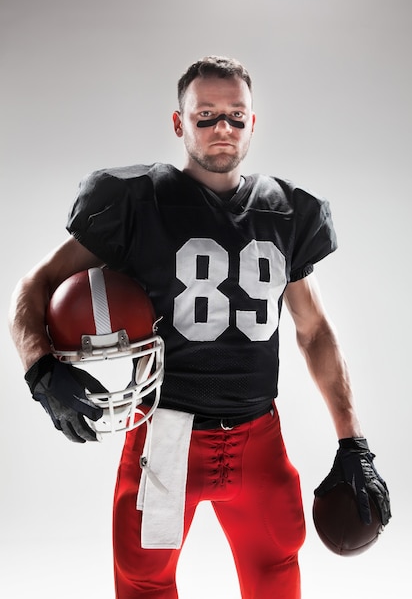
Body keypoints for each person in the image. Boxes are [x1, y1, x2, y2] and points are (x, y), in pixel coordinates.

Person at [9, 55, 390, 599]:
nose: (223, 128)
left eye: (236, 115)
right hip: (166, 437)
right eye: (206, 115)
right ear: (179, 122)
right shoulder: (138, 203)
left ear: (253, 123)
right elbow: (35, 285)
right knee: (144, 585)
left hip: (259, 437)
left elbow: (314, 331)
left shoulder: (285, 211)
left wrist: (353, 440)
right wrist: (41, 371)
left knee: (277, 575)